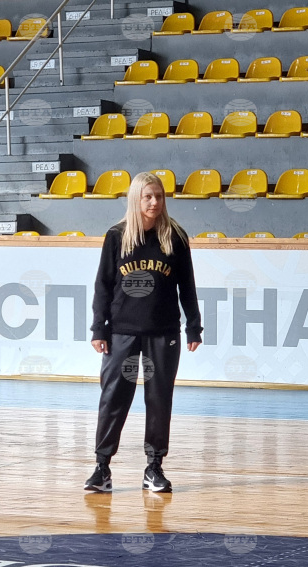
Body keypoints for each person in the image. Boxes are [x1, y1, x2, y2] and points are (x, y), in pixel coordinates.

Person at [85, 171, 202, 493]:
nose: (154, 202)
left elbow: (187, 286)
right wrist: (98, 329)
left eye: (159, 196)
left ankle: (154, 467)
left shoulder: (175, 236)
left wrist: (193, 326)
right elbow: (103, 286)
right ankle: (102, 467)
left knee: (158, 399)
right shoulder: (117, 236)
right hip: (121, 332)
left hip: (163, 333)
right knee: (113, 398)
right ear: (135, 199)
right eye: (147, 196)